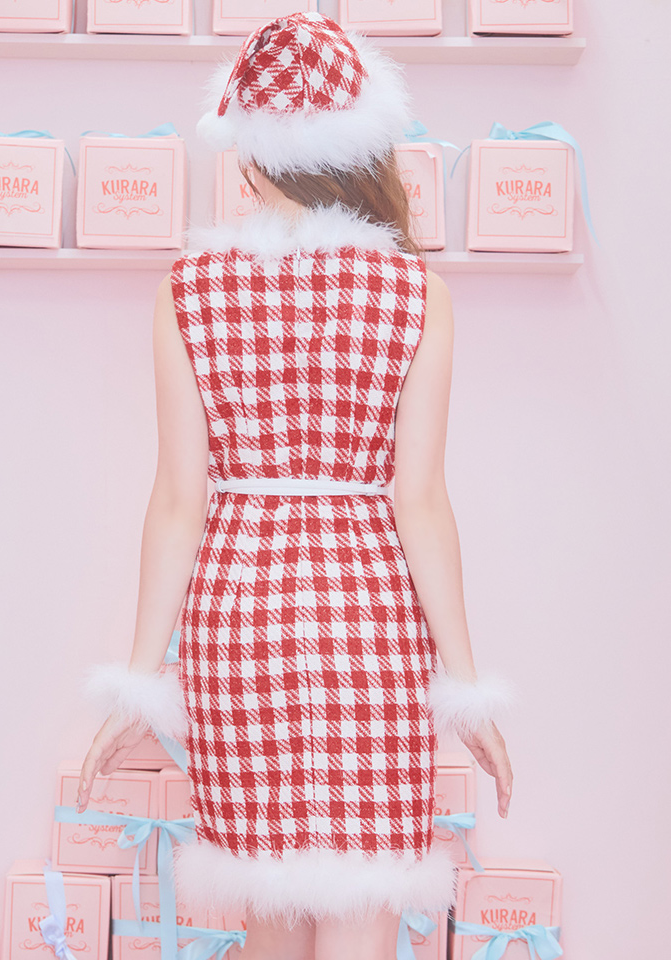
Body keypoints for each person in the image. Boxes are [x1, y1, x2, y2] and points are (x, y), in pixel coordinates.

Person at [76, 12, 513, 960]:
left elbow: (178, 500)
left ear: (247, 152)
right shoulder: (415, 294)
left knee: (267, 917)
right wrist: (467, 685)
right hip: (371, 615)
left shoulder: (192, 290)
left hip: (241, 616)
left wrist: (140, 679)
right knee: (365, 907)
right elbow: (421, 503)